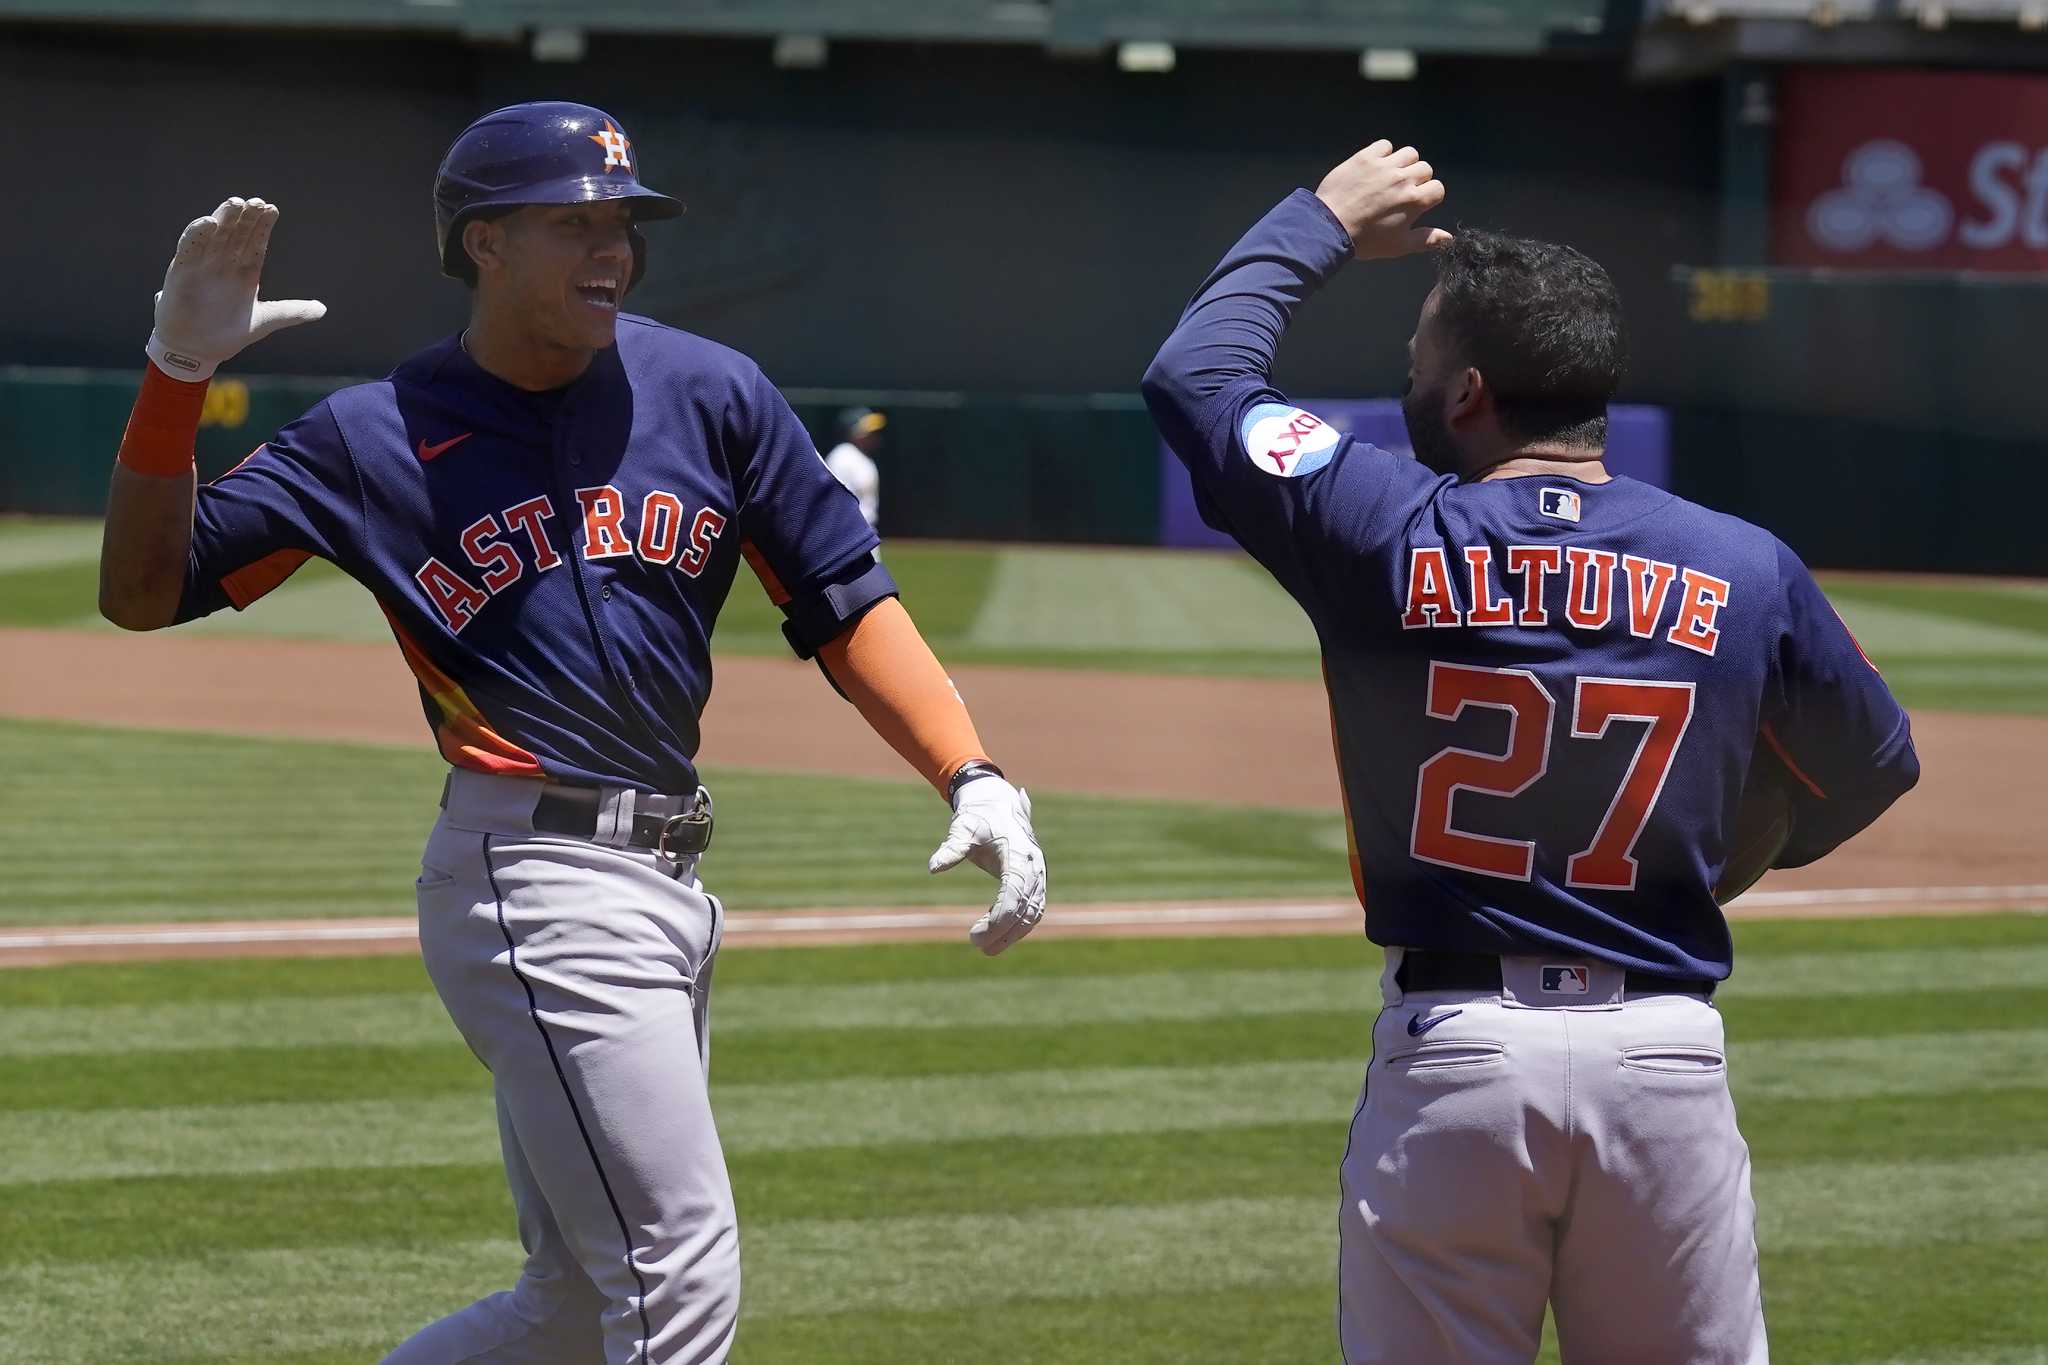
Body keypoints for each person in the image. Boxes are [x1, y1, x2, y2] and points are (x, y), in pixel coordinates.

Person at [97, 101, 1047, 1365]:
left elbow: (840, 597)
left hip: (669, 879)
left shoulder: (707, 393)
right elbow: (144, 593)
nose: (612, 250)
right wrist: (174, 381)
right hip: (532, 876)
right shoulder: (373, 437)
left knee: (574, 1306)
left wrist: (968, 770)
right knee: (676, 1269)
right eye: (572, 225)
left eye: (622, 224)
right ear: (483, 243)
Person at [1142, 139, 1917, 1364]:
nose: (1410, 374)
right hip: (1661, 1059)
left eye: (1419, 359)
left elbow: (1196, 373)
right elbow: (1873, 763)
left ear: (1464, 396)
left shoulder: (1376, 525)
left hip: (1455, 1062)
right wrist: (1723, 855)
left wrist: (1323, 221)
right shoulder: (1741, 563)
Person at [823, 406, 884, 532]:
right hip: (848, 532)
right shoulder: (842, 456)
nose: (874, 436)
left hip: (865, 531)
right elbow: (834, 501)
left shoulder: (862, 457)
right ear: (854, 432)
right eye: (869, 432)